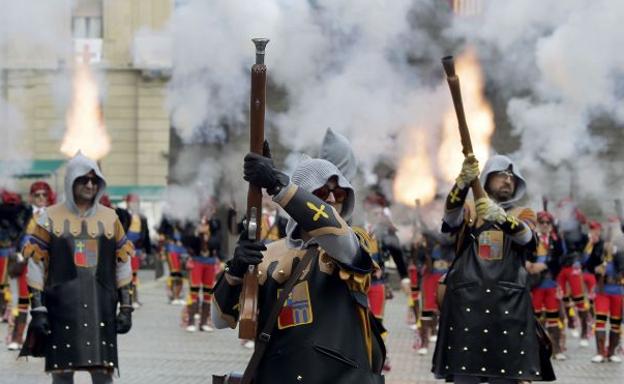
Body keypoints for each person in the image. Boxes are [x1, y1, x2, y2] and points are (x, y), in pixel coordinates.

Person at [213, 154, 385, 383]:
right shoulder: (269, 252)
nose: (332, 199)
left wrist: (277, 183)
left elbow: (335, 233)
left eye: (340, 192)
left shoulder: (353, 241)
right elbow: (219, 320)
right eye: (322, 193)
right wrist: (235, 269)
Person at [432, 154, 555, 383]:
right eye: (501, 175)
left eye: (512, 177)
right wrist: (461, 184)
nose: (507, 181)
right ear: (487, 178)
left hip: (509, 307)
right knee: (465, 377)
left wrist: (500, 216)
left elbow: (527, 238)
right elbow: (450, 219)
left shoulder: (523, 213)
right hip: (467, 305)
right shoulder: (468, 209)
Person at [19, 152, 134, 384]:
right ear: (71, 181)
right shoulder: (49, 218)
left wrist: (126, 307)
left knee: (103, 375)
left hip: (101, 306)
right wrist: (38, 309)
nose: (90, 185)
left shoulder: (111, 218)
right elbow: (36, 265)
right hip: (60, 308)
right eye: (83, 179)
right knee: (62, 376)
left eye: (94, 180)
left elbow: (123, 264)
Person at [6, 182, 55, 351]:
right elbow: (14, 233)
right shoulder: (24, 213)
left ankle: (41, 339)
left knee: (43, 301)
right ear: (32, 197)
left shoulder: (53, 214)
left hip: (46, 263)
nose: (41, 198)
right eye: (37, 195)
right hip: (25, 262)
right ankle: (17, 337)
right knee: (22, 300)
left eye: (44, 195)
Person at [527, 211, 566, 360]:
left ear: (551, 225)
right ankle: (534, 350)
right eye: (541, 222)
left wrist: (544, 265)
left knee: (553, 317)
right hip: (535, 284)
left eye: (547, 223)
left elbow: (561, 260)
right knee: (535, 317)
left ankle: (557, 349)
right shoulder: (531, 238)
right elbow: (525, 255)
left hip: (550, 283)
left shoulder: (556, 240)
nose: (544, 225)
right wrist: (529, 263)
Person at [584, 219, 623, 363]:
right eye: (610, 229)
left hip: (618, 289)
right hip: (602, 289)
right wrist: (596, 268)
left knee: (616, 322)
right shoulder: (599, 245)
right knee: (600, 320)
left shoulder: (621, 246)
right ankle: (600, 352)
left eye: (615, 229)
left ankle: (612, 352)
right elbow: (588, 265)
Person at [184, 200, 223, 332]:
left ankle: (204, 322)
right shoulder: (192, 222)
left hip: (210, 261)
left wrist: (208, 236)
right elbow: (186, 240)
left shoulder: (216, 224)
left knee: (208, 292)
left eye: (210, 209)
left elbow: (218, 242)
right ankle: (190, 321)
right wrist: (197, 233)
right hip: (196, 260)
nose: (209, 211)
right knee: (194, 291)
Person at [123, 194, 152, 308]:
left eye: (136, 203)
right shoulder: (123, 215)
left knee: (134, 275)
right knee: (125, 275)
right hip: (125, 248)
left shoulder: (143, 217)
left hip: (137, 248)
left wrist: (148, 251)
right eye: (132, 202)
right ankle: (127, 299)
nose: (134, 205)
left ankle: (134, 298)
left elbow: (146, 234)